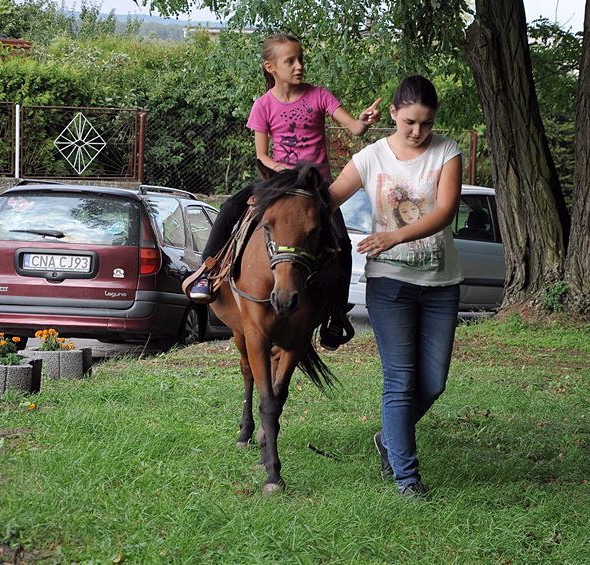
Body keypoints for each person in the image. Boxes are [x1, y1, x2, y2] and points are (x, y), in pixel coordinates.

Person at [188, 33, 381, 351]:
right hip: (276, 184)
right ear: (271, 67)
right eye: (290, 60)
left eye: (300, 59)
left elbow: (355, 129)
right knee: (228, 210)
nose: (299, 66)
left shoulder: (319, 96)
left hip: (314, 191)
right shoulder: (263, 105)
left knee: (343, 244)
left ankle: (336, 315)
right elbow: (262, 156)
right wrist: (280, 171)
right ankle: (206, 273)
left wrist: (364, 120)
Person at [329, 75, 463, 498]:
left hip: (441, 284)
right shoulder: (371, 158)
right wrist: (283, 195)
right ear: (392, 114)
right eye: (409, 122)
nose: (417, 131)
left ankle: (388, 438)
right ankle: (406, 479)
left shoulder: (447, 151)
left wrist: (393, 236)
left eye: (425, 122)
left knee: (434, 382)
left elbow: (445, 212)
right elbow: (327, 199)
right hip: (389, 285)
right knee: (400, 381)